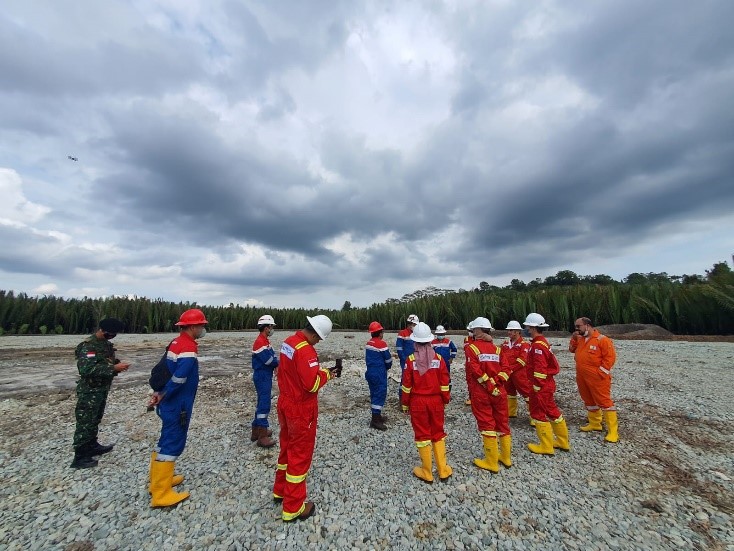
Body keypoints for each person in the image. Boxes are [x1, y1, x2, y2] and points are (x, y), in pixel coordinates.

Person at [273, 315, 340, 522]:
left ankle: (280, 490)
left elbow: (292, 371)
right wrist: (327, 374)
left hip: (285, 402)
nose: (318, 342)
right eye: (318, 339)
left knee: (287, 447)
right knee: (300, 454)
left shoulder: (289, 342)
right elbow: (311, 385)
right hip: (301, 409)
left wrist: (319, 371)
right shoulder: (306, 350)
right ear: (314, 334)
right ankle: (293, 507)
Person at [147, 308, 208, 507]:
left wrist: (159, 392)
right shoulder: (188, 347)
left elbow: (164, 370)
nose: (203, 329)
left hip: (171, 400)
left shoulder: (176, 342)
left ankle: (158, 481)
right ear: (192, 327)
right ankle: (161, 493)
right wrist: (164, 393)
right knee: (172, 442)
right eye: (201, 325)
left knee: (165, 439)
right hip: (178, 402)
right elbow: (179, 377)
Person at [71, 318, 130, 469]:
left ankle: (92, 445)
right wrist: (113, 369)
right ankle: (80, 456)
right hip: (89, 391)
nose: (113, 336)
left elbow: (104, 361)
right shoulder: (88, 346)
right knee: (85, 422)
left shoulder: (105, 345)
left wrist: (116, 364)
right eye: (112, 333)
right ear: (103, 331)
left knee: (95, 419)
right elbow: (86, 369)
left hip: (101, 389)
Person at [401, 322, 452, 483]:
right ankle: (443, 470)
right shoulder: (439, 359)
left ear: (415, 342)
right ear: (430, 340)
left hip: (418, 402)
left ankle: (427, 472)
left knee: (422, 434)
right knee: (438, 433)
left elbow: (406, 385)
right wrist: (445, 399)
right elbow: (445, 383)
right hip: (436, 400)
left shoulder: (410, 360)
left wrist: (405, 404)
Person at [465, 317, 512, 472]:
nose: (472, 332)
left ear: (478, 330)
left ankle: (491, 462)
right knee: (502, 423)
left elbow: (475, 370)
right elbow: (507, 370)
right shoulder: (497, 349)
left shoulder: (472, 348)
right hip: (499, 391)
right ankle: (506, 458)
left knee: (487, 424)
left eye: (474, 330)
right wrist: (496, 382)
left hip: (482, 392)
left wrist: (489, 383)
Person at [523, 313, 569, 455]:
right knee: (552, 411)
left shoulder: (538, 346)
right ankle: (562, 442)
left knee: (538, 413)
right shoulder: (541, 343)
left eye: (528, 327)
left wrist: (537, 386)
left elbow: (540, 368)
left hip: (541, 386)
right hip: (546, 384)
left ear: (533, 328)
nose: (526, 329)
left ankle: (546, 446)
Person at [570, 317, 619, 443]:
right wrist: (574, 338)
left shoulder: (602, 340)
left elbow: (610, 358)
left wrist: (600, 373)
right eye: (576, 327)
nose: (576, 329)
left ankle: (613, 431)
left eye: (578, 326)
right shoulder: (580, 339)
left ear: (587, 325)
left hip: (597, 378)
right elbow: (571, 349)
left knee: (604, 401)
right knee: (588, 400)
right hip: (582, 376)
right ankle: (595, 423)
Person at [251, 314, 279, 448]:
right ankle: (262, 436)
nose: (272, 329)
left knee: (261, 402)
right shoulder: (260, 342)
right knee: (264, 404)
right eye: (271, 327)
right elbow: (268, 360)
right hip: (262, 376)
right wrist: (278, 364)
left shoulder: (265, 341)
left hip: (264, 375)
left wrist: (276, 363)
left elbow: (273, 355)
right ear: (266, 327)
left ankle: (256, 431)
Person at [500, 321, 531, 421]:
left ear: (517, 331)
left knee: (527, 393)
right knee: (509, 392)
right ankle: (511, 412)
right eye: (508, 330)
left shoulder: (524, 345)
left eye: (511, 330)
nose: (509, 332)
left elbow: (523, 360)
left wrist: (510, 369)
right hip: (508, 373)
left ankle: (534, 416)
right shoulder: (505, 344)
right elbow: (501, 357)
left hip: (520, 374)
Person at [365, 321, 393, 431]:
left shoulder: (369, 343)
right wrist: (388, 366)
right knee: (380, 394)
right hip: (379, 373)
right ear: (380, 333)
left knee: (374, 393)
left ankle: (377, 416)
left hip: (370, 372)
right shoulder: (382, 344)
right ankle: (375, 420)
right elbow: (388, 360)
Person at [396, 314, 419, 397]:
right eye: (411, 324)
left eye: (414, 324)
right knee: (405, 379)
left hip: (417, 361)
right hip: (405, 361)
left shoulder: (418, 334)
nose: (412, 326)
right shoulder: (402, 333)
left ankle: (413, 397)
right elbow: (399, 348)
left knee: (416, 378)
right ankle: (402, 398)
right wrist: (404, 359)